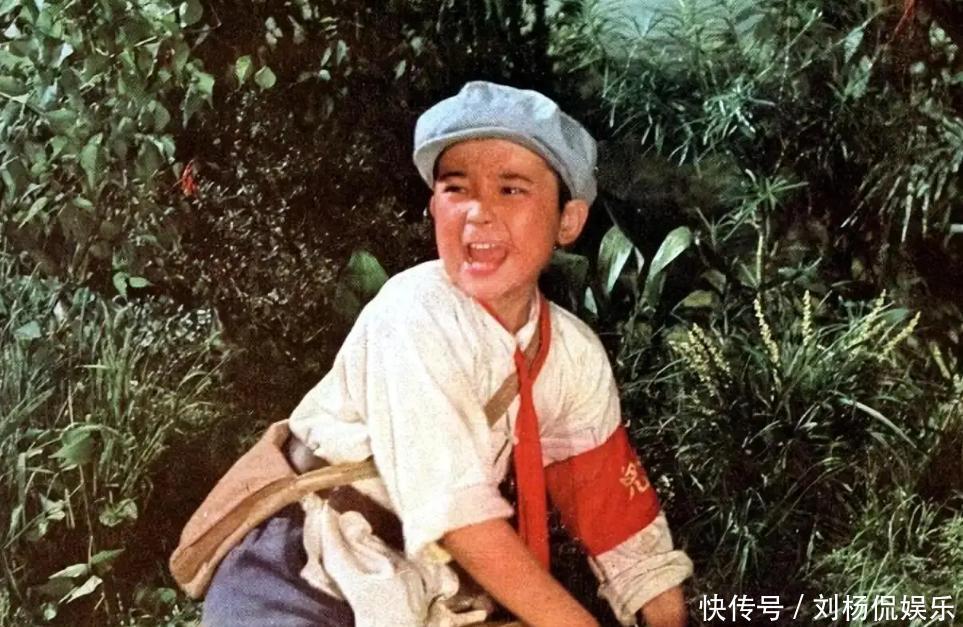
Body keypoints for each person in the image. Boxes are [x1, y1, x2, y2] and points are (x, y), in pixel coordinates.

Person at [202, 81, 693, 627]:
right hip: (305, 567)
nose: (479, 213)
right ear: (434, 207)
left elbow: (613, 513)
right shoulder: (415, 312)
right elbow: (461, 520)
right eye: (457, 189)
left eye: (511, 190)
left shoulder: (572, 354)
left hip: (420, 585)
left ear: (568, 221)